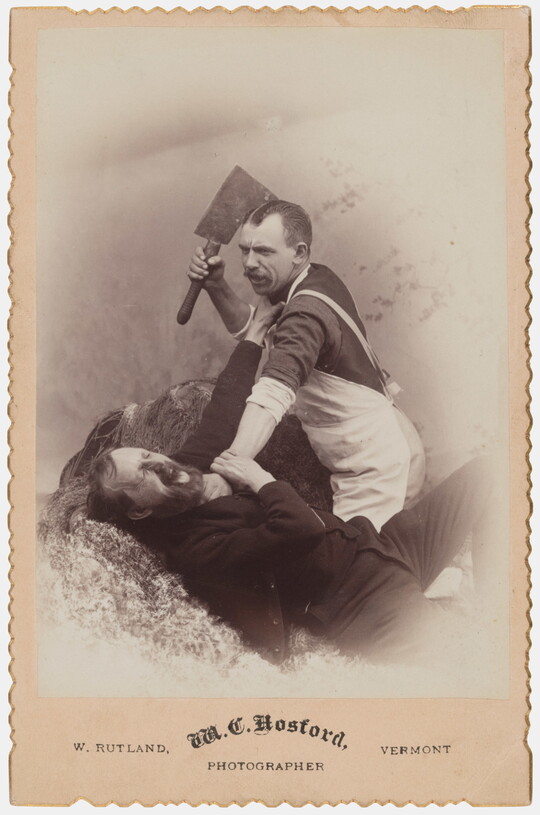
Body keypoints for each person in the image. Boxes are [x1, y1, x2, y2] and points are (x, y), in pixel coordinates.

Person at [87, 304, 496, 666]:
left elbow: (224, 410)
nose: (158, 465)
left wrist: (253, 336)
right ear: (139, 510)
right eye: (141, 475)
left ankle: (500, 603)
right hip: (363, 600)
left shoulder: (184, 468)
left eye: (147, 456)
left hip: (386, 544)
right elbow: (299, 528)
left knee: (491, 474)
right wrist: (261, 481)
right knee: (473, 664)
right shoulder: (197, 548)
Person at [188, 199, 425, 532]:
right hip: (383, 438)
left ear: (299, 252)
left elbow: (273, 392)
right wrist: (216, 286)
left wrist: (232, 466)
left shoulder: (306, 312)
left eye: (263, 252)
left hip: (375, 465)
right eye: (244, 250)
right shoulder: (310, 279)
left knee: (356, 560)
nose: (250, 263)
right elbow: (259, 329)